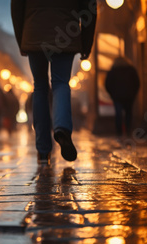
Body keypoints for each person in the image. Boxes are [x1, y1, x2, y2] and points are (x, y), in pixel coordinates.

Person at [11, 0, 97, 164]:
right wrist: (86, 43)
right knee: (61, 83)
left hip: (34, 34)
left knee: (40, 87)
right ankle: (62, 128)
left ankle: (43, 150)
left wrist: (21, 40)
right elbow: (89, 8)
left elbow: (16, 7)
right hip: (66, 32)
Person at [105, 56, 140, 137]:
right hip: (129, 96)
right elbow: (137, 83)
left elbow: (107, 84)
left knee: (118, 115)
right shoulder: (131, 70)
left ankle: (119, 133)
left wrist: (112, 94)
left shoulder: (113, 71)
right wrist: (133, 93)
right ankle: (128, 131)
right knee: (128, 114)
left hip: (117, 97)